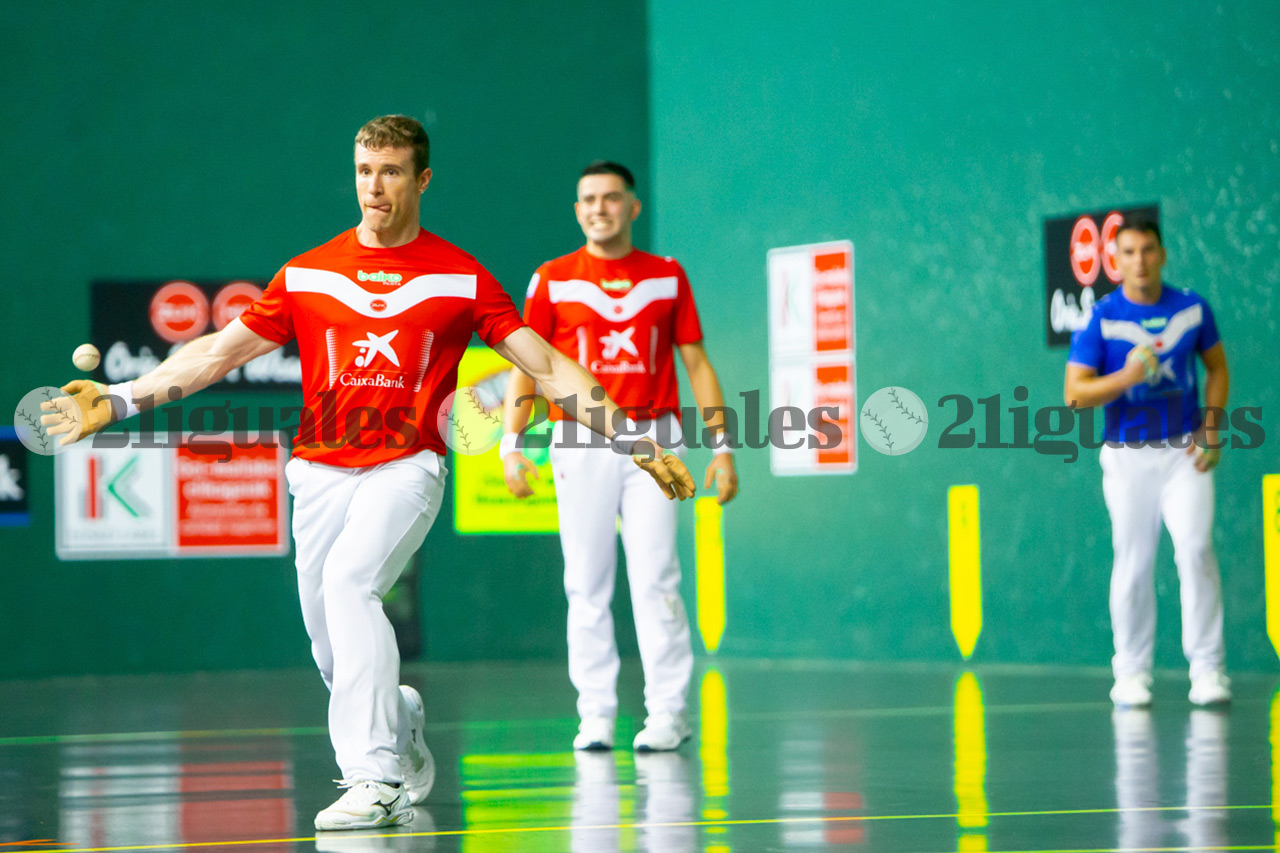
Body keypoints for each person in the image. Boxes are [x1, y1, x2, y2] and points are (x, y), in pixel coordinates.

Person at [41, 117, 695, 831]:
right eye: (362, 170)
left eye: (389, 171)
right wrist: (121, 397)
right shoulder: (309, 272)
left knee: (353, 583)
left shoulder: (460, 275)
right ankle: (400, 714)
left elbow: (546, 365)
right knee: (331, 647)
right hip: (319, 471)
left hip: (408, 465)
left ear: (422, 179)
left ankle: (376, 778)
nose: (373, 186)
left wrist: (633, 438)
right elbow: (215, 354)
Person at [500, 161, 738, 752]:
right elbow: (529, 365)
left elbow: (698, 363)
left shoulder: (667, 276)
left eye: (611, 198)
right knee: (586, 583)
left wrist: (723, 447)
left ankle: (668, 713)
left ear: (634, 207)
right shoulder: (552, 279)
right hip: (578, 441)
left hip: (657, 438)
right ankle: (598, 715)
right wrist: (511, 445)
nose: (598, 208)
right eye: (587, 200)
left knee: (657, 577)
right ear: (577, 210)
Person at [1064, 219, 1230, 709]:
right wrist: (1127, 376)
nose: (1139, 260)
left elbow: (1217, 368)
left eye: (1148, 250)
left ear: (1162, 254)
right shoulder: (1102, 317)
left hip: (1184, 453)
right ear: (1116, 260)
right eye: (1129, 252)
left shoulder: (1193, 308)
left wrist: (1213, 427)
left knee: (1196, 551)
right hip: (1126, 457)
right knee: (1134, 564)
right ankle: (1132, 673)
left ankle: (1208, 670)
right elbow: (1075, 393)